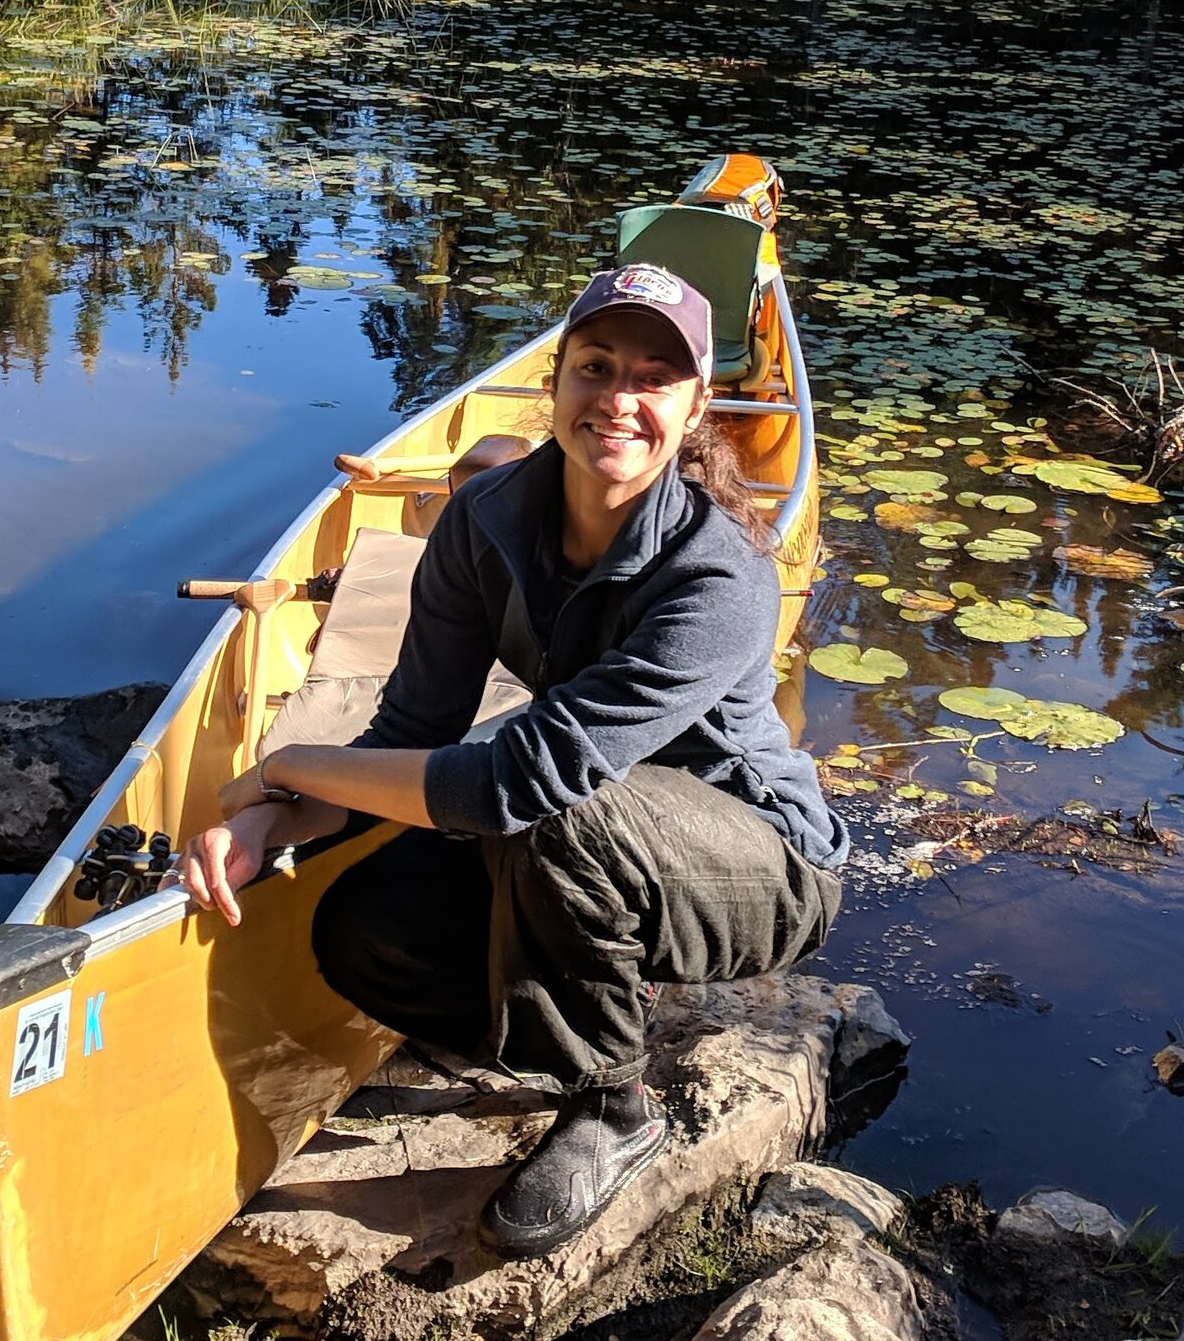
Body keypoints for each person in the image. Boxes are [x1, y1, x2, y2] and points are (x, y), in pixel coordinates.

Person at [179, 259, 847, 1256]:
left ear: (696, 403)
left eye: (652, 379)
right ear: (556, 383)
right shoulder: (482, 523)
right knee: (364, 932)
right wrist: (276, 821)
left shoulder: (719, 575)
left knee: (556, 807)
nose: (618, 399)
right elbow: (410, 731)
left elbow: (516, 783)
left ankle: (612, 1102)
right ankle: (559, 1008)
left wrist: (289, 768)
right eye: (595, 367)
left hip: (760, 862)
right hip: (604, 837)